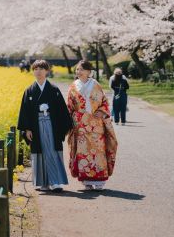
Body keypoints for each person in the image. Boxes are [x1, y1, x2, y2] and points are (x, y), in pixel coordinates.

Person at [17, 60, 72, 193]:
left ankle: (56, 182)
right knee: (39, 153)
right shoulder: (29, 91)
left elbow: (62, 110)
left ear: (47, 71)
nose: (39, 71)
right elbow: (25, 112)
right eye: (36, 69)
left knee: (53, 151)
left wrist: (63, 127)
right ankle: (42, 183)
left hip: (52, 126)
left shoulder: (54, 89)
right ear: (33, 71)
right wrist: (27, 129)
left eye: (42, 69)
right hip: (36, 126)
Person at [67, 60, 118, 191]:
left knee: (98, 151)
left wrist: (101, 112)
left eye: (81, 69)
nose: (78, 72)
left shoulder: (96, 85)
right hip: (80, 124)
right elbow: (70, 106)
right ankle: (86, 181)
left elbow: (104, 102)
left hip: (96, 123)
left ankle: (99, 180)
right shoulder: (73, 86)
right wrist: (69, 121)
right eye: (77, 69)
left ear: (89, 72)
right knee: (82, 152)